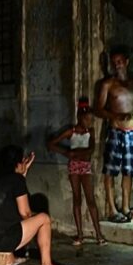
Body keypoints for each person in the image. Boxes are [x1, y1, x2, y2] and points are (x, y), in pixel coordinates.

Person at [0, 145, 74, 265]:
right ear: (19, 163)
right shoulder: (17, 180)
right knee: (44, 218)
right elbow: (25, 213)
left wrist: (22, 174)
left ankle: (9, 260)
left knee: (7, 221)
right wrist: (38, 223)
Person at [95, 45, 133, 222]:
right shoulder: (108, 84)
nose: (117, 65)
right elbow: (98, 109)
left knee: (129, 171)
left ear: (126, 62)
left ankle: (126, 207)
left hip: (132, 132)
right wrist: (115, 115)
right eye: (114, 63)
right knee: (110, 171)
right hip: (115, 131)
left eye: (119, 62)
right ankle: (112, 209)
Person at [47, 98, 106, 246]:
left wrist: (75, 152)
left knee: (90, 199)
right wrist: (67, 152)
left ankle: (98, 234)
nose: (90, 122)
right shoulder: (71, 131)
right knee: (77, 199)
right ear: (80, 118)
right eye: (87, 119)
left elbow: (91, 150)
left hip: (84, 166)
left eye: (91, 119)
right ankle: (80, 235)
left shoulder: (90, 131)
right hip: (74, 166)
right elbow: (51, 144)